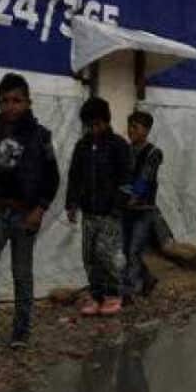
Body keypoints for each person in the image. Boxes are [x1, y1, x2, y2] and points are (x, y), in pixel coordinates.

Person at [0, 73, 60, 352]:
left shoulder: (40, 136)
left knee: (22, 273)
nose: (10, 106)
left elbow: (52, 177)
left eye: (16, 100)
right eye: (4, 100)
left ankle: (21, 329)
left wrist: (40, 209)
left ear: (28, 102)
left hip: (25, 214)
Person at [67, 97, 133, 316]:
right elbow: (74, 176)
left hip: (110, 212)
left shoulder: (119, 146)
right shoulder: (82, 146)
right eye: (90, 125)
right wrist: (71, 203)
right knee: (89, 256)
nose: (94, 129)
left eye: (97, 124)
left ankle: (114, 294)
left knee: (106, 253)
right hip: (89, 212)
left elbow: (126, 180)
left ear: (106, 121)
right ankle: (96, 296)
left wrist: (117, 207)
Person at [121, 111, 164, 302]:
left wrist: (135, 195)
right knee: (126, 249)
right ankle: (147, 279)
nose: (131, 131)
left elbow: (146, 176)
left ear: (146, 130)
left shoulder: (154, 152)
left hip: (144, 209)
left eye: (135, 127)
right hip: (126, 208)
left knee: (134, 249)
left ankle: (129, 292)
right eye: (130, 126)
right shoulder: (125, 150)